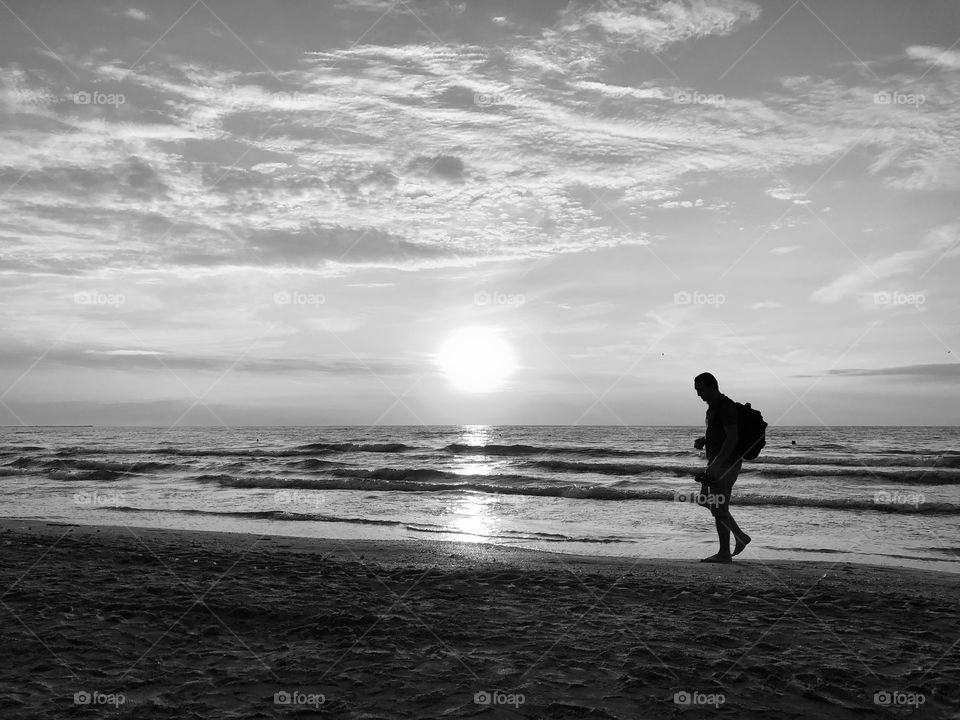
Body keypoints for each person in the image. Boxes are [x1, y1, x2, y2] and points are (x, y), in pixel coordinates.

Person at [693, 372, 751, 563]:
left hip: (726, 463)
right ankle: (739, 536)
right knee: (705, 500)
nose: (698, 394)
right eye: (696, 390)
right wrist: (704, 439)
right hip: (715, 462)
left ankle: (724, 553)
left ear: (713, 386)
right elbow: (719, 433)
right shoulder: (712, 408)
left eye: (701, 389)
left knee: (718, 507)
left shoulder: (726, 407)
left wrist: (717, 463)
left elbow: (732, 438)